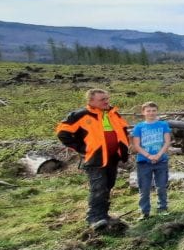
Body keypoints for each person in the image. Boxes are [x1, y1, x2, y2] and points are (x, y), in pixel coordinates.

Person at [56, 88, 131, 230]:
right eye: (102, 99)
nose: (106, 101)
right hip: (95, 159)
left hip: (113, 157)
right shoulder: (81, 115)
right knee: (98, 188)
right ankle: (95, 218)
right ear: (91, 101)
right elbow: (62, 132)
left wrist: (123, 150)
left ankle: (103, 214)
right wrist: (82, 148)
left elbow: (123, 132)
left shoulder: (113, 114)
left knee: (108, 185)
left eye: (107, 98)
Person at [131, 101, 172, 218]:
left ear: (157, 111)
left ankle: (162, 208)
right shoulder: (139, 127)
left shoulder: (163, 125)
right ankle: (145, 212)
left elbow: (167, 142)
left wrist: (158, 155)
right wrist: (149, 156)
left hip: (161, 160)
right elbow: (136, 145)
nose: (151, 113)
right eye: (148, 111)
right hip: (144, 162)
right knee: (144, 188)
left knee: (162, 187)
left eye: (153, 110)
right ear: (143, 112)